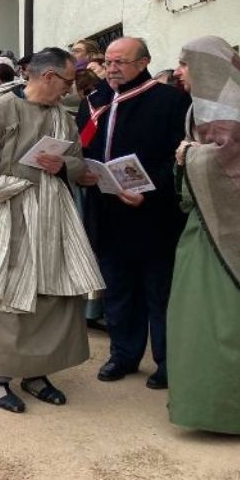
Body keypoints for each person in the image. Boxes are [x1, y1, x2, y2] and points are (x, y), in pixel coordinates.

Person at [0, 48, 104, 414]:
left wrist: (62, 164)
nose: (70, 90)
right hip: (5, 213)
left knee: (50, 294)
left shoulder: (60, 115)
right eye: (66, 82)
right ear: (47, 77)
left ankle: (36, 374)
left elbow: (78, 162)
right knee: (4, 295)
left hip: (50, 215)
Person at [77, 37, 188, 390]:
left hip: (153, 214)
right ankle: (123, 355)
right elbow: (82, 147)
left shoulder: (170, 100)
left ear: (143, 63)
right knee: (118, 290)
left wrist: (150, 189)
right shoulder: (93, 102)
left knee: (159, 291)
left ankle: (167, 361)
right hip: (107, 212)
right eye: (108, 61)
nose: (112, 67)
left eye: (121, 61)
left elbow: (179, 157)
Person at [168, 37, 240, 434]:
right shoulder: (204, 107)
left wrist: (188, 154)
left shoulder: (234, 107)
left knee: (225, 322)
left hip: (230, 233)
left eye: (185, 63)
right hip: (204, 226)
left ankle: (227, 409)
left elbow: (229, 157)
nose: (179, 70)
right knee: (197, 321)